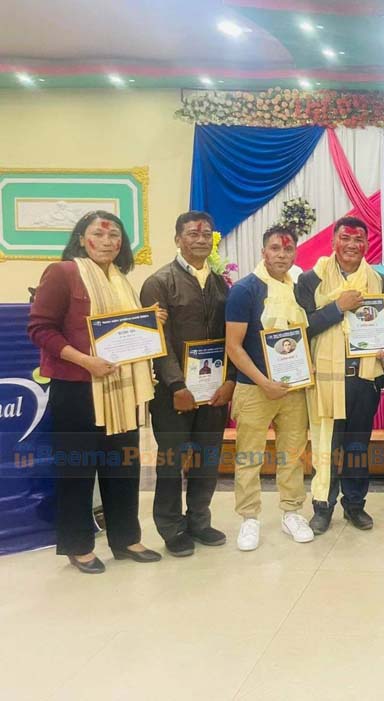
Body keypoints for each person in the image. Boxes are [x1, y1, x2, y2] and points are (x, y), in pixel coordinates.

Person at [28, 211, 164, 573]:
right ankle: (78, 546)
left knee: (123, 466)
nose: (107, 241)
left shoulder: (120, 279)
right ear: (81, 239)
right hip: (77, 388)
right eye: (98, 234)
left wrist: (150, 323)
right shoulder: (63, 273)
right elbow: (40, 329)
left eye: (114, 235)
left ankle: (126, 539)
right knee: (78, 469)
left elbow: (124, 331)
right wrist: (86, 361)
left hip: (121, 389)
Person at [139, 211, 233, 557]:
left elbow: (231, 336)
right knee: (171, 462)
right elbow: (156, 341)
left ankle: (198, 521)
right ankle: (171, 527)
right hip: (173, 393)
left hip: (213, 391)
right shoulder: (159, 283)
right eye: (193, 234)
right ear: (178, 239)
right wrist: (176, 385)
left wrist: (230, 381)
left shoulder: (221, 284)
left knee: (207, 459)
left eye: (206, 234)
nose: (200, 239)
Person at [294, 216, 384, 533]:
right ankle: (322, 507)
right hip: (327, 377)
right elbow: (301, 328)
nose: (352, 245)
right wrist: (337, 307)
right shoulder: (310, 280)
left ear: (366, 244)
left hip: (364, 379)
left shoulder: (376, 281)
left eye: (358, 239)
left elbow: (382, 325)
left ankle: (354, 505)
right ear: (334, 241)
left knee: (357, 447)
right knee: (327, 445)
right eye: (346, 238)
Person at [224, 224, 314, 551]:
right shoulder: (245, 290)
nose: (281, 255)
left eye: (288, 249)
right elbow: (234, 346)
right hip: (254, 387)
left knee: (292, 454)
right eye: (275, 248)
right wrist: (263, 382)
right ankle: (249, 518)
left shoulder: (299, 289)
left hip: (293, 389)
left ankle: (292, 512)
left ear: (295, 252)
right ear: (263, 252)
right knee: (249, 456)